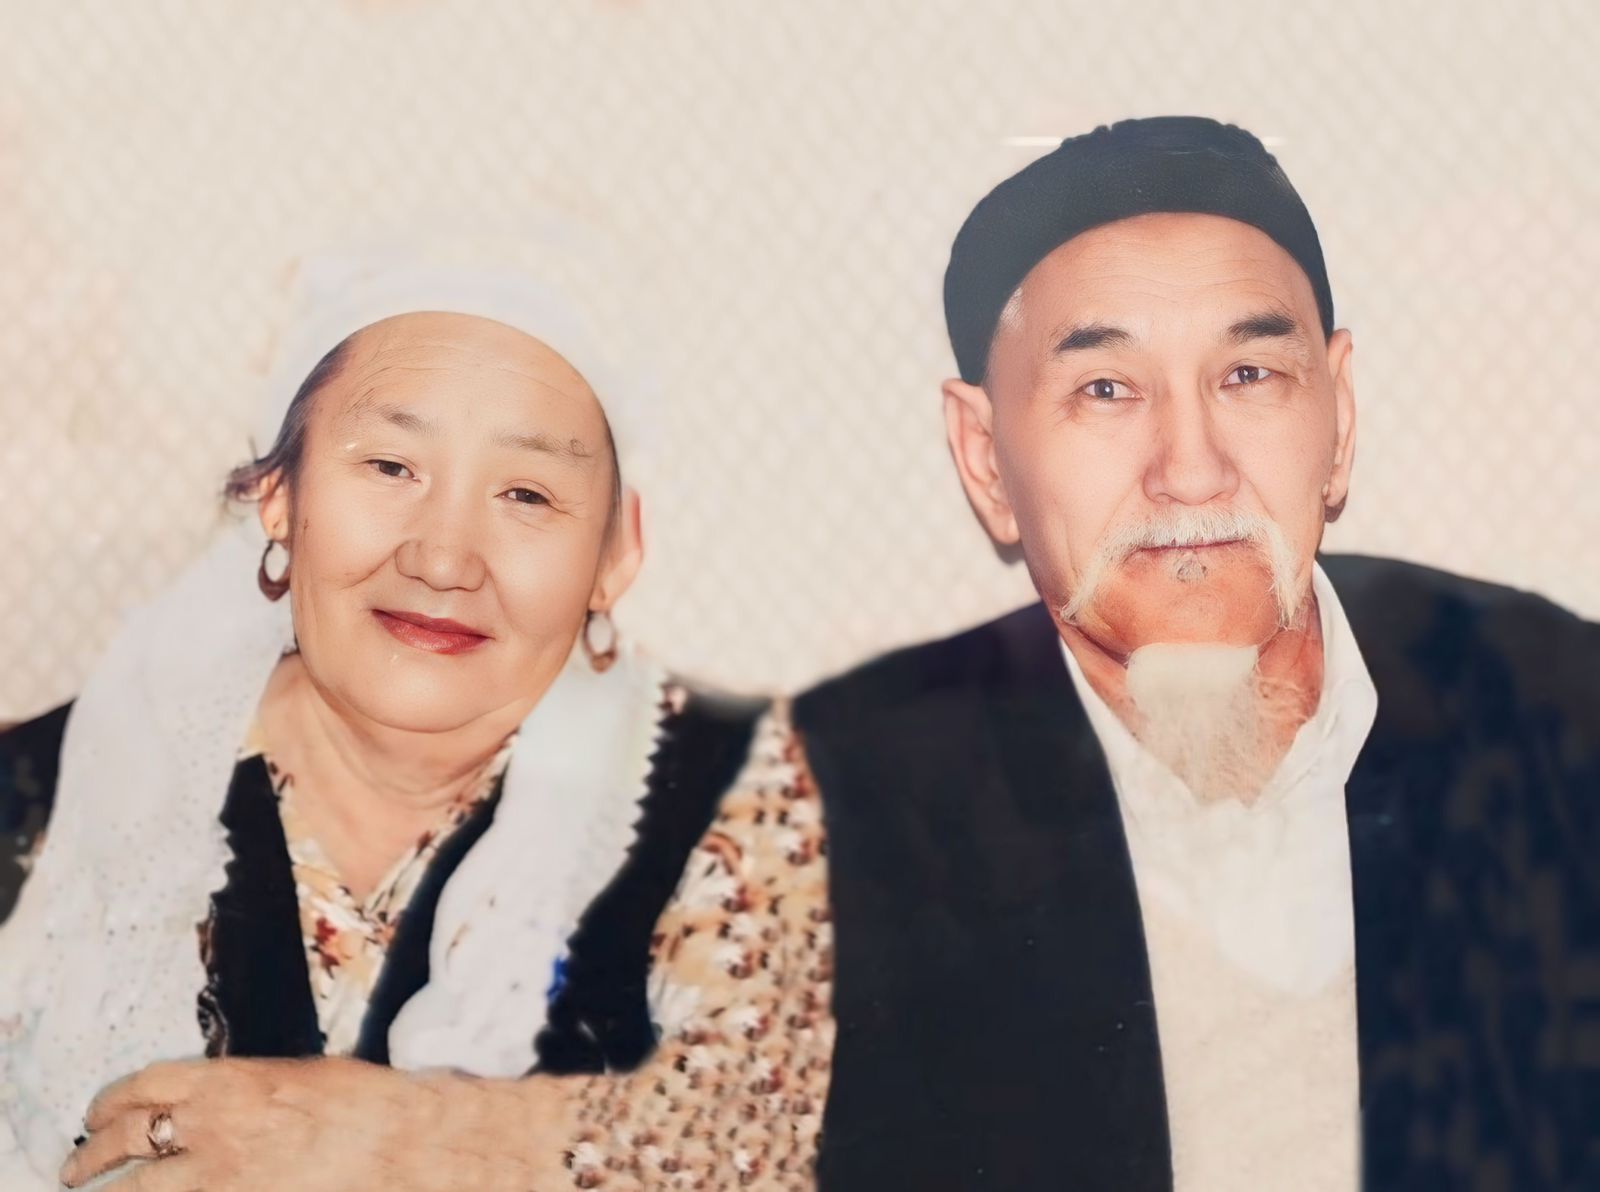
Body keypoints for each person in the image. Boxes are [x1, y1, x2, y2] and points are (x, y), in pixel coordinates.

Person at [793, 117, 1598, 1190]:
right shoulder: (825, 818)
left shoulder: (1565, 720)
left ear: (1338, 416)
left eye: (1249, 374)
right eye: (1106, 389)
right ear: (984, 458)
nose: (1190, 469)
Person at [0, 258, 833, 1190]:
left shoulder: (738, 796)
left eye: (526, 494)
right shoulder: (43, 797)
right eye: (391, 467)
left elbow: (803, 1140)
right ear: (280, 495)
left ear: (615, 552)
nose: (443, 559)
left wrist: (393, 1139)